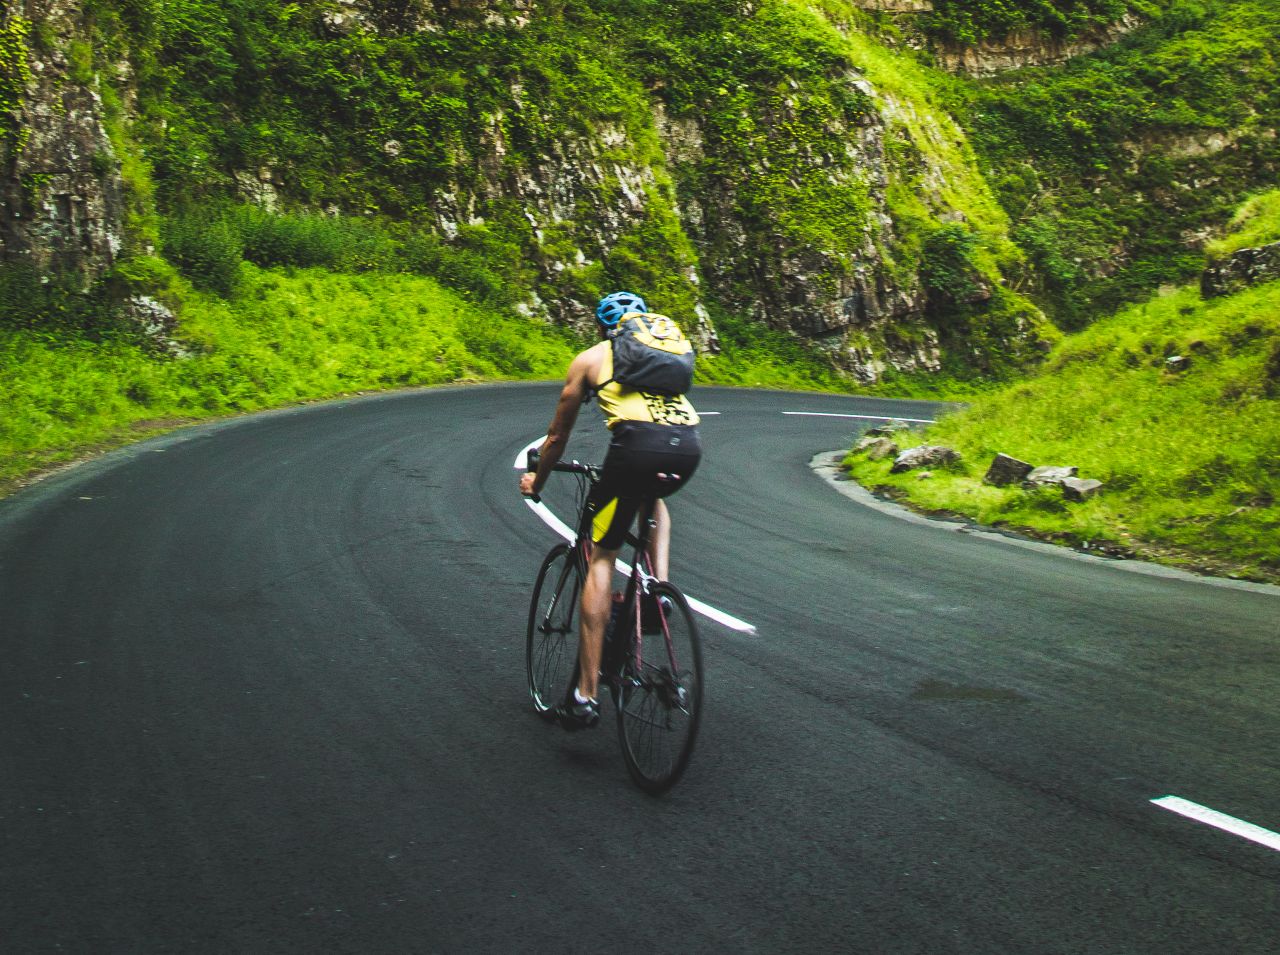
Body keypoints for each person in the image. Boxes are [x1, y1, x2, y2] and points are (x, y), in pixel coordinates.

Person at [520, 291, 702, 729]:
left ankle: (584, 696)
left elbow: (556, 438)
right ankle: (657, 590)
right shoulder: (661, 360)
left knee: (602, 556)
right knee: (650, 497)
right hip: (688, 448)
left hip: (637, 449)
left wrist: (536, 482)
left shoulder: (590, 359)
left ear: (603, 328)